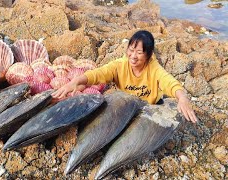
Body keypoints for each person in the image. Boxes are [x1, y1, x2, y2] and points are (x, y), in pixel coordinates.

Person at [52, 30, 198, 123]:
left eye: (139, 53)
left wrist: (183, 98)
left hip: (147, 112)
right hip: (125, 108)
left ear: (148, 55)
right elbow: (98, 74)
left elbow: (170, 82)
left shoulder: (154, 69)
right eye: (131, 50)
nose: (133, 56)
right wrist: (75, 82)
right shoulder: (119, 65)